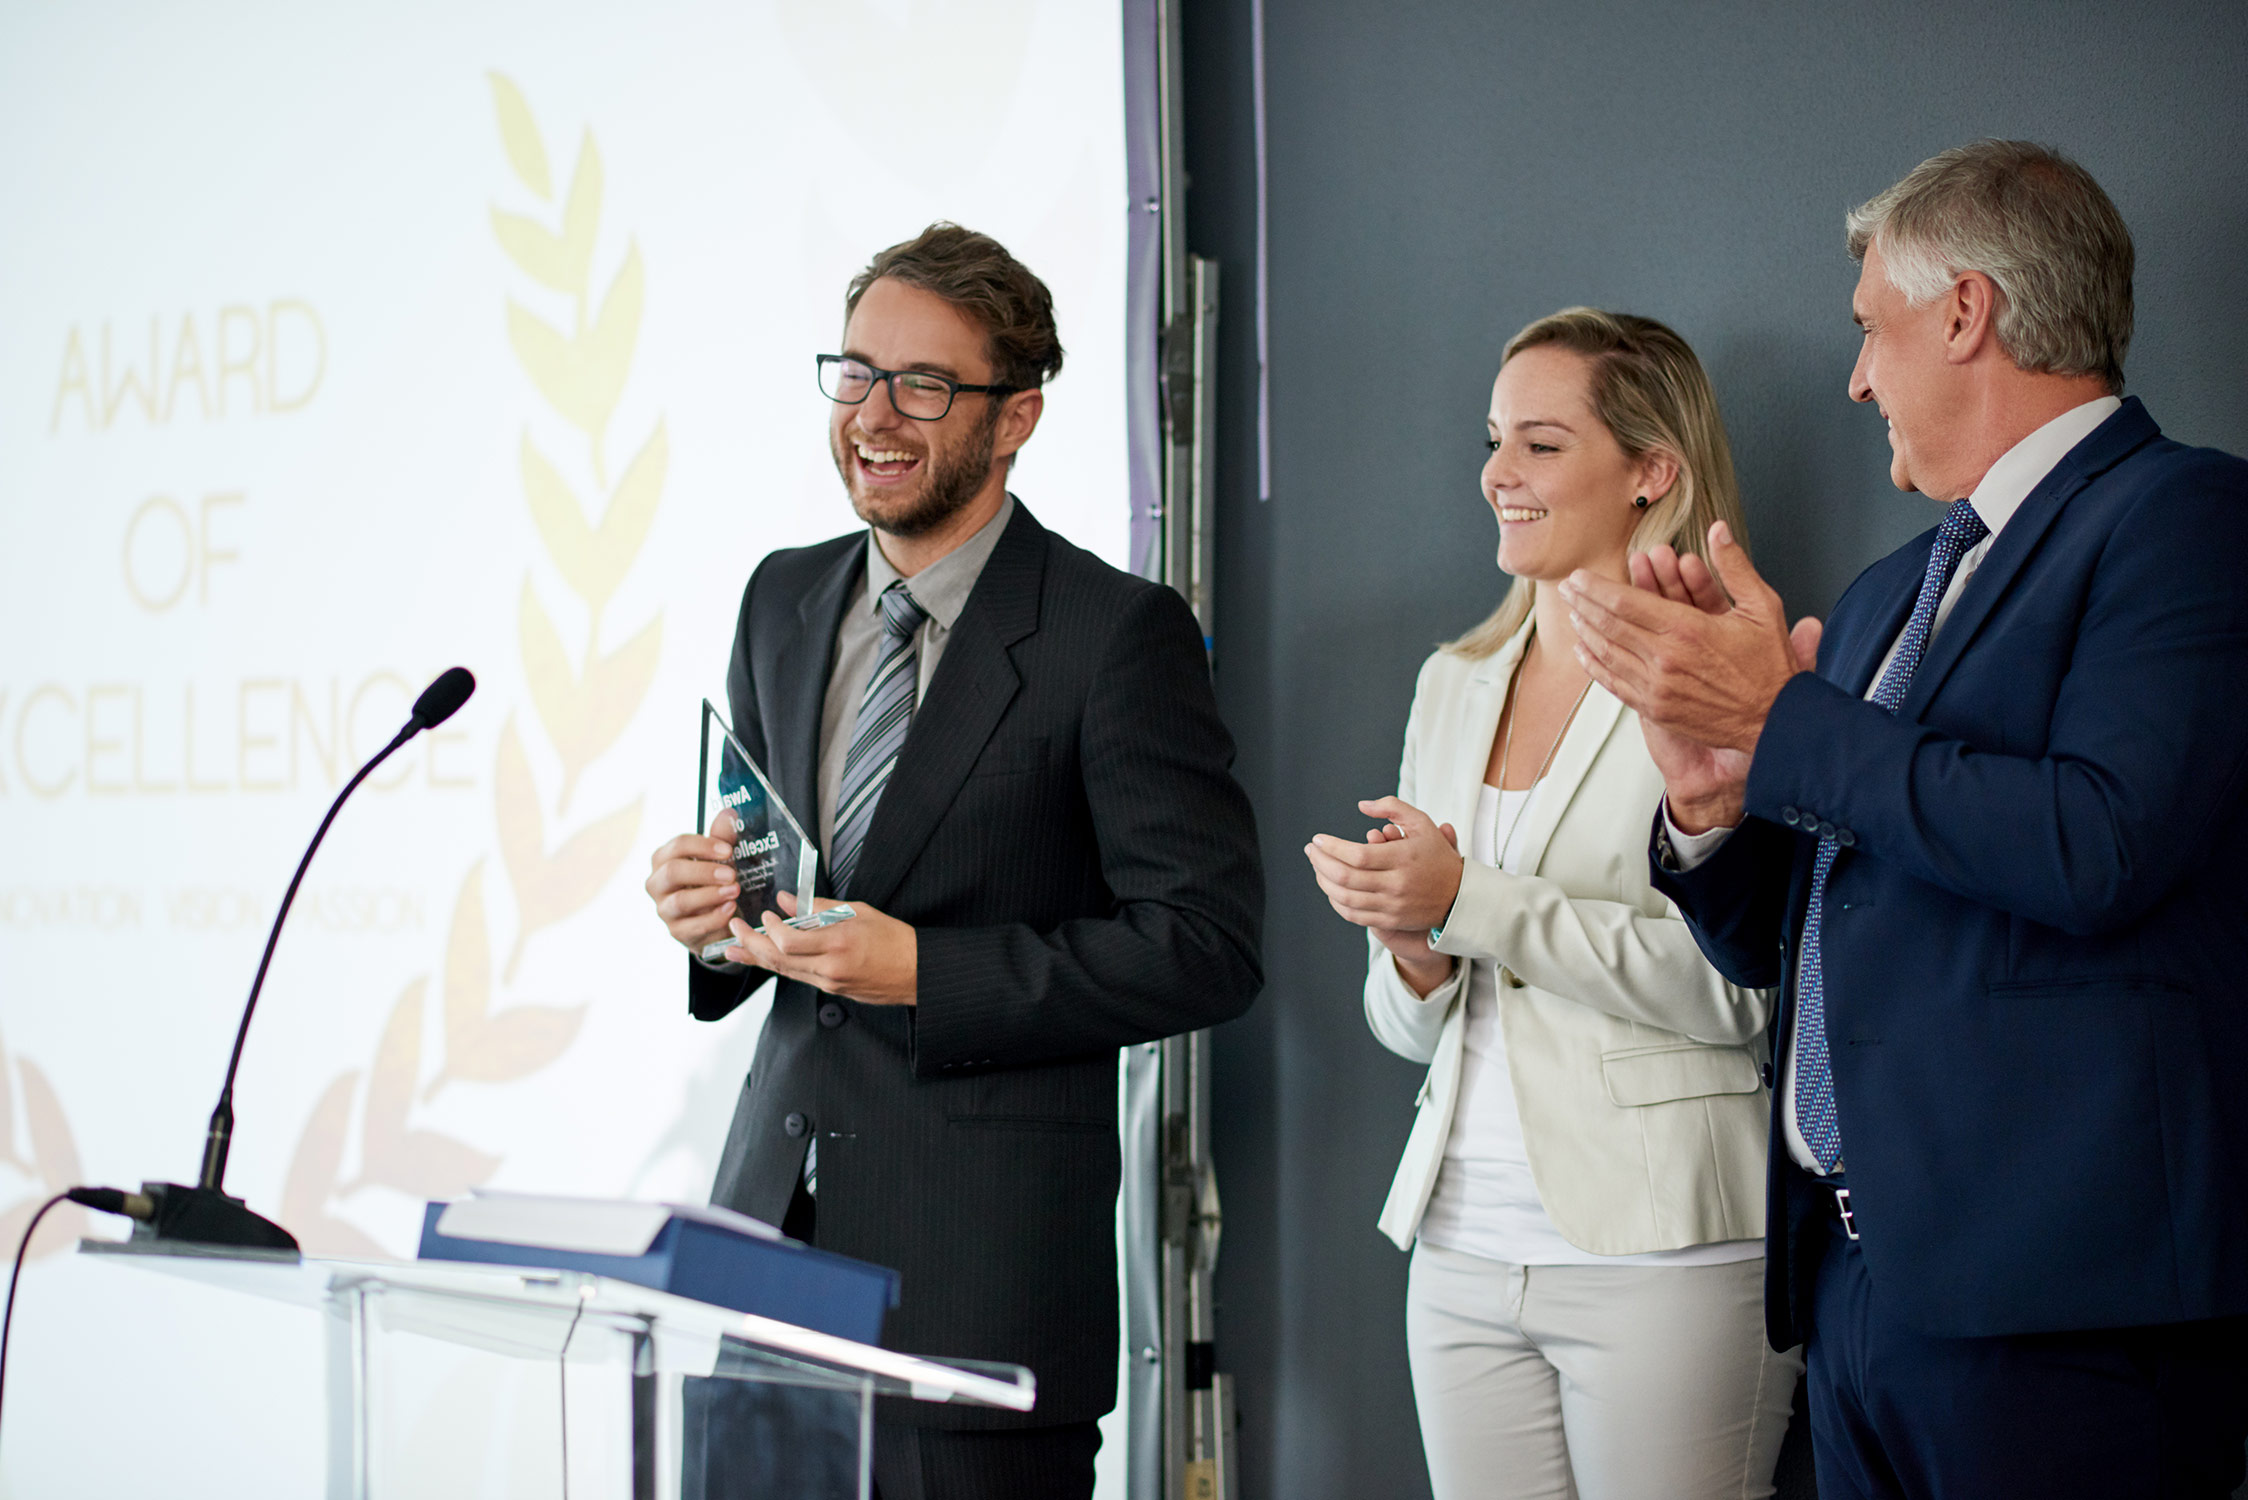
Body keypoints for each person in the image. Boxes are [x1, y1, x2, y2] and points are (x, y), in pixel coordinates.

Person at [1563, 140, 2248, 1497]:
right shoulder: (1882, 596)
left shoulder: (2189, 517)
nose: (1859, 376)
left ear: (1965, 312)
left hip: (2063, 1322)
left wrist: (1789, 722)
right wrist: (1714, 806)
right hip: (1857, 1301)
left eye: (1873, 330)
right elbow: (1802, 939)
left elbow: (2097, 844)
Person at [642, 222, 1264, 1500]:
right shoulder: (781, 597)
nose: (874, 414)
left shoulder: (1115, 636)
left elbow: (1208, 949)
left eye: (922, 384)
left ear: (1017, 414)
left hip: (977, 1297)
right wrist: (711, 910)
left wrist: (929, 972)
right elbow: (772, 877)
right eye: (855, 372)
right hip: (767, 1256)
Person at [1306, 308, 1800, 1500]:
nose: (1495, 474)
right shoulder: (1452, 681)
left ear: (1651, 471)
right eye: (1491, 441)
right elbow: (1409, 1026)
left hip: (1665, 1252)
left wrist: (1468, 899)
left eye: (1537, 443)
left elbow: (1737, 992)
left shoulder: (1727, 674)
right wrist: (1410, 945)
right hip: (1460, 1248)